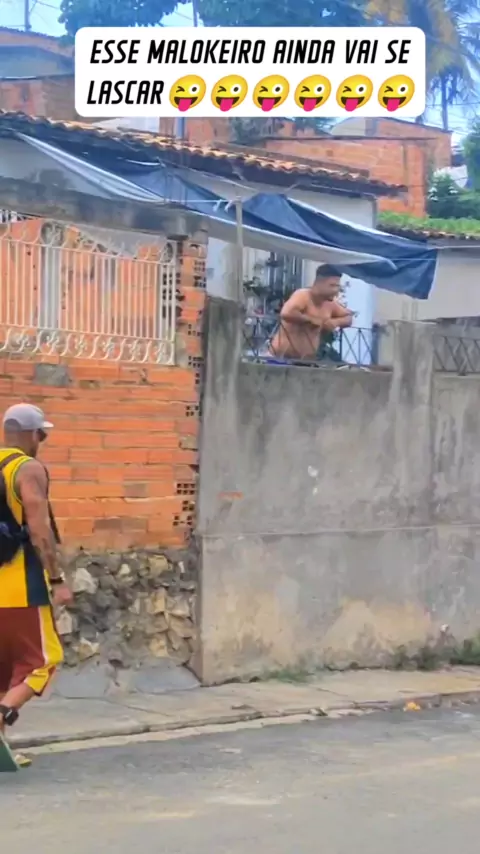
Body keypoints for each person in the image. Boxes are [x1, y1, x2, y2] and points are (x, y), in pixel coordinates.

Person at [0, 403, 72, 766]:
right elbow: (40, 530)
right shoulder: (27, 468)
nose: (41, 441)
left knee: (3, 669)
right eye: (41, 434)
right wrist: (57, 579)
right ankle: (2, 715)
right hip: (21, 586)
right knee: (43, 661)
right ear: (31, 434)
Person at [269, 264, 354, 361]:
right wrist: (310, 320)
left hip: (306, 360)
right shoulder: (303, 295)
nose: (335, 291)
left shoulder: (330, 304)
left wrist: (335, 322)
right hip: (280, 358)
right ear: (318, 283)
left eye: (337, 286)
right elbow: (286, 313)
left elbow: (349, 318)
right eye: (332, 285)